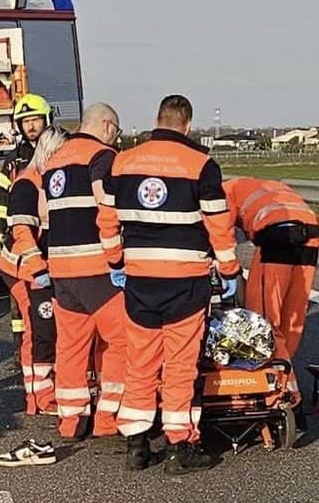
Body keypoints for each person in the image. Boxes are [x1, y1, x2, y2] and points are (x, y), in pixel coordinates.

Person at [101, 95, 240, 473]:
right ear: (188, 124)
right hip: (185, 281)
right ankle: (180, 446)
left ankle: (136, 444)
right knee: (179, 364)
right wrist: (229, 271)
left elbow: (107, 221)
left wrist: (115, 261)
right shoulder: (201, 165)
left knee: (140, 362)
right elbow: (219, 226)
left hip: (139, 280)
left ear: (157, 119)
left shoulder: (122, 162)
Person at [41, 103, 127, 441]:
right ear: (107, 126)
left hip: (61, 268)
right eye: (117, 132)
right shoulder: (101, 156)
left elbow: (45, 214)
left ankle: (72, 419)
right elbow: (107, 203)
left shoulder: (55, 160)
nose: (116, 138)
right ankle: (109, 416)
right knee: (124, 338)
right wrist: (117, 256)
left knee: (71, 345)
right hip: (96, 267)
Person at [224, 176, 319, 408]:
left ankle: (281, 390)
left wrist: (225, 265)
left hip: (277, 238)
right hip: (310, 236)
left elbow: (221, 233)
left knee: (263, 320)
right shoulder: (266, 185)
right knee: (291, 319)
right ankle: (284, 373)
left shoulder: (224, 191)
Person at [0, 131, 59, 416]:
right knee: (37, 331)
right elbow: (22, 232)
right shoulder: (28, 183)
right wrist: (39, 270)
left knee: (45, 329)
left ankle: (44, 392)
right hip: (22, 268)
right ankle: (39, 397)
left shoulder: (48, 180)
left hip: (37, 266)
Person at [0, 93, 53, 356]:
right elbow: (2, 198)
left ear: (46, 120)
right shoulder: (14, 161)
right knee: (19, 303)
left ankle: (41, 348)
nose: (31, 126)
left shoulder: (55, 152)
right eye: (26, 121)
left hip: (46, 237)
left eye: (35, 119)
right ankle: (22, 348)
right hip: (20, 237)